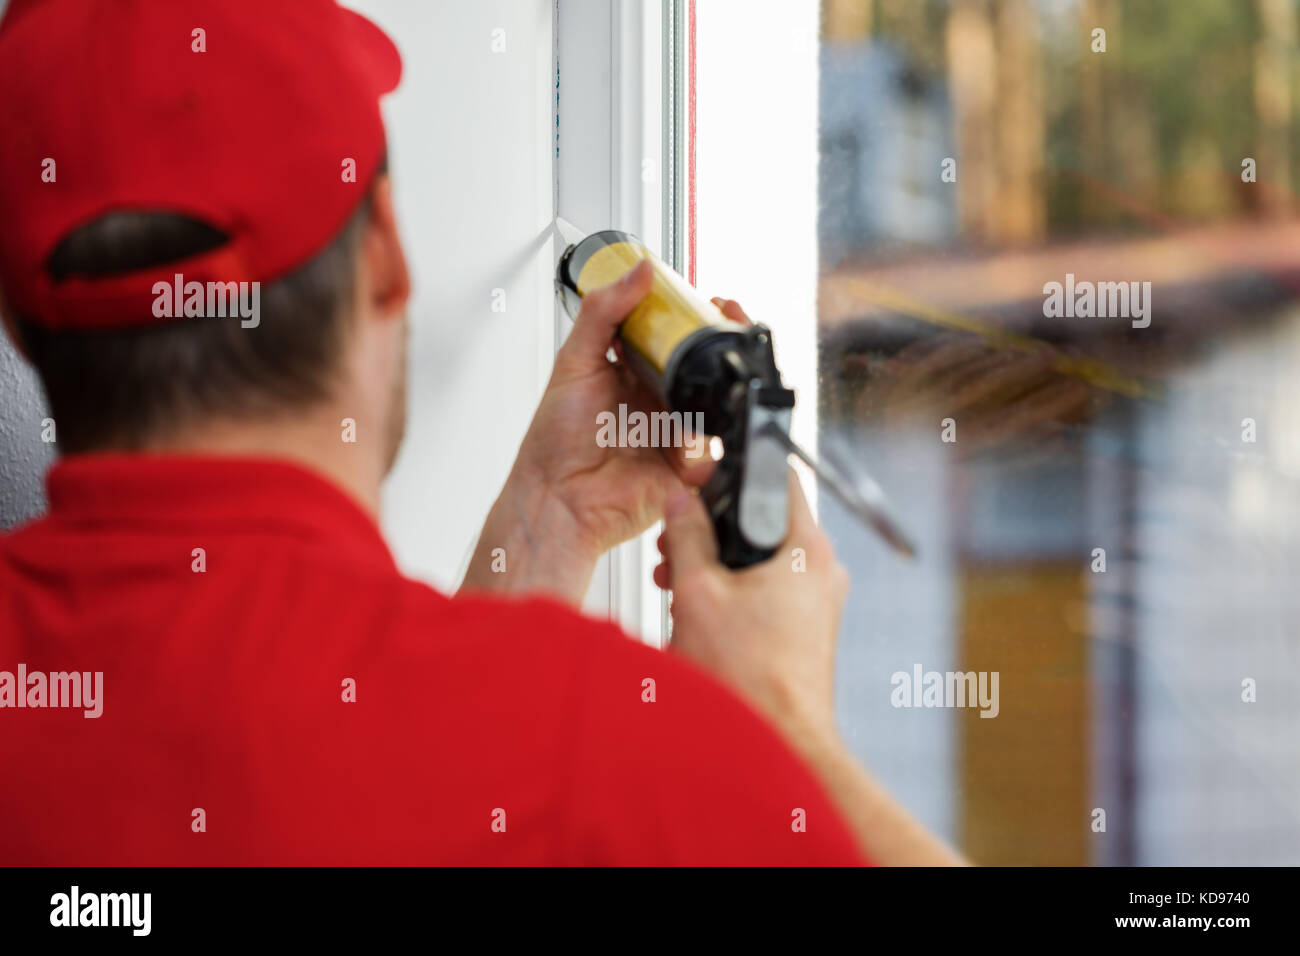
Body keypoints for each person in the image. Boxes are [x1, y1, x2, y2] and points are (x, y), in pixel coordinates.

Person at [0, 0, 960, 865]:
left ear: (15, 317)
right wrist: (786, 732)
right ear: (384, 259)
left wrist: (544, 525)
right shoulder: (620, 772)